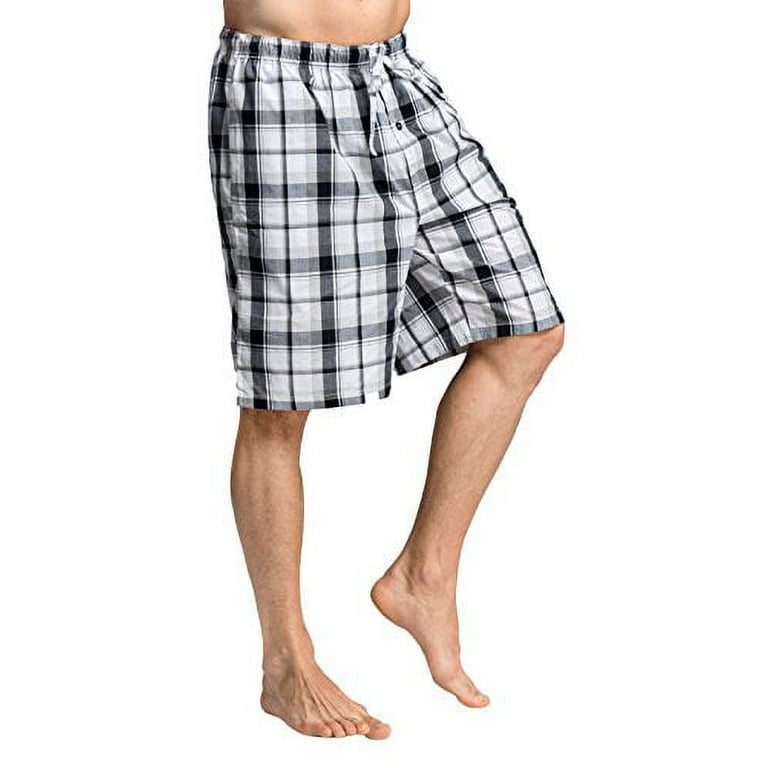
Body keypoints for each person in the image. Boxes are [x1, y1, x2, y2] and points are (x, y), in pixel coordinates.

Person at [208, 0, 564, 740]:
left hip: (393, 76)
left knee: (526, 331)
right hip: (281, 91)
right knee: (279, 403)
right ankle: (285, 663)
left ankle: (422, 577)